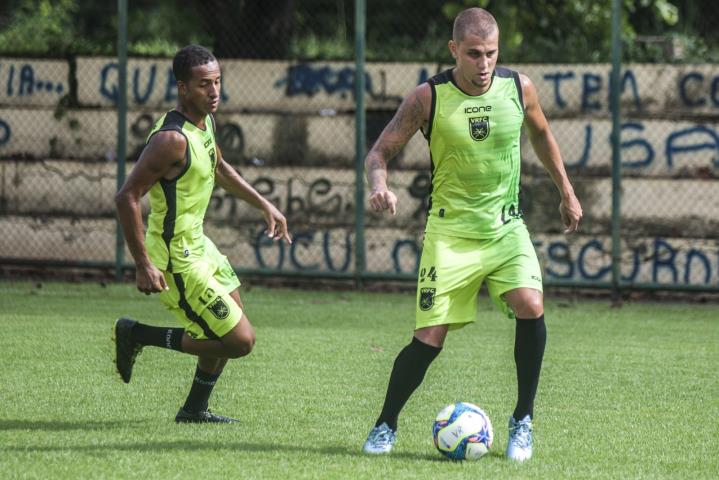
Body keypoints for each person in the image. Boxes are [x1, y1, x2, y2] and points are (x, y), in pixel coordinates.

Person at [361, 8, 582, 460]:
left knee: (531, 304)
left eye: (491, 54)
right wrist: (380, 188)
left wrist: (566, 189)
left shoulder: (519, 87)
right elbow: (378, 153)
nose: (483, 64)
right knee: (429, 339)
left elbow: (542, 135)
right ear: (454, 50)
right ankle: (385, 425)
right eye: (473, 54)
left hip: (505, 227)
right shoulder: (428, 97)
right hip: (450, 233)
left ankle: (523, 420)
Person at [114, 44, 291, 423]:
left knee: (225, 325)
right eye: (203, 85)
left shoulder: (205, 122)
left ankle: (194, 409)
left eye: (217, 82)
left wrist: (264, 203)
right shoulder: (170, 140)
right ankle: (138, 335)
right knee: (239, 340)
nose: (214, 92)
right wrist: (143, 264)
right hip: (175, 257)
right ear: (183, 88)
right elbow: (126, 197)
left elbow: (220, 167)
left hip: (200, 245)